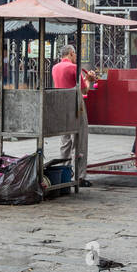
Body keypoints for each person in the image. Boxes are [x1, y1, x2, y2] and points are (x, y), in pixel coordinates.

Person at [52, 44, 95, 187]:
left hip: (61, 107)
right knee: (79, 142)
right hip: (75, 106)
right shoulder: (73, 68)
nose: (76, 57)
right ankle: (80, 176)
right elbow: (84, 91)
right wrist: (89, 79)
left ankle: (63, 173)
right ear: (71, 53)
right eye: (75, 54)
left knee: (65, 142)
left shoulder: (55, 68)